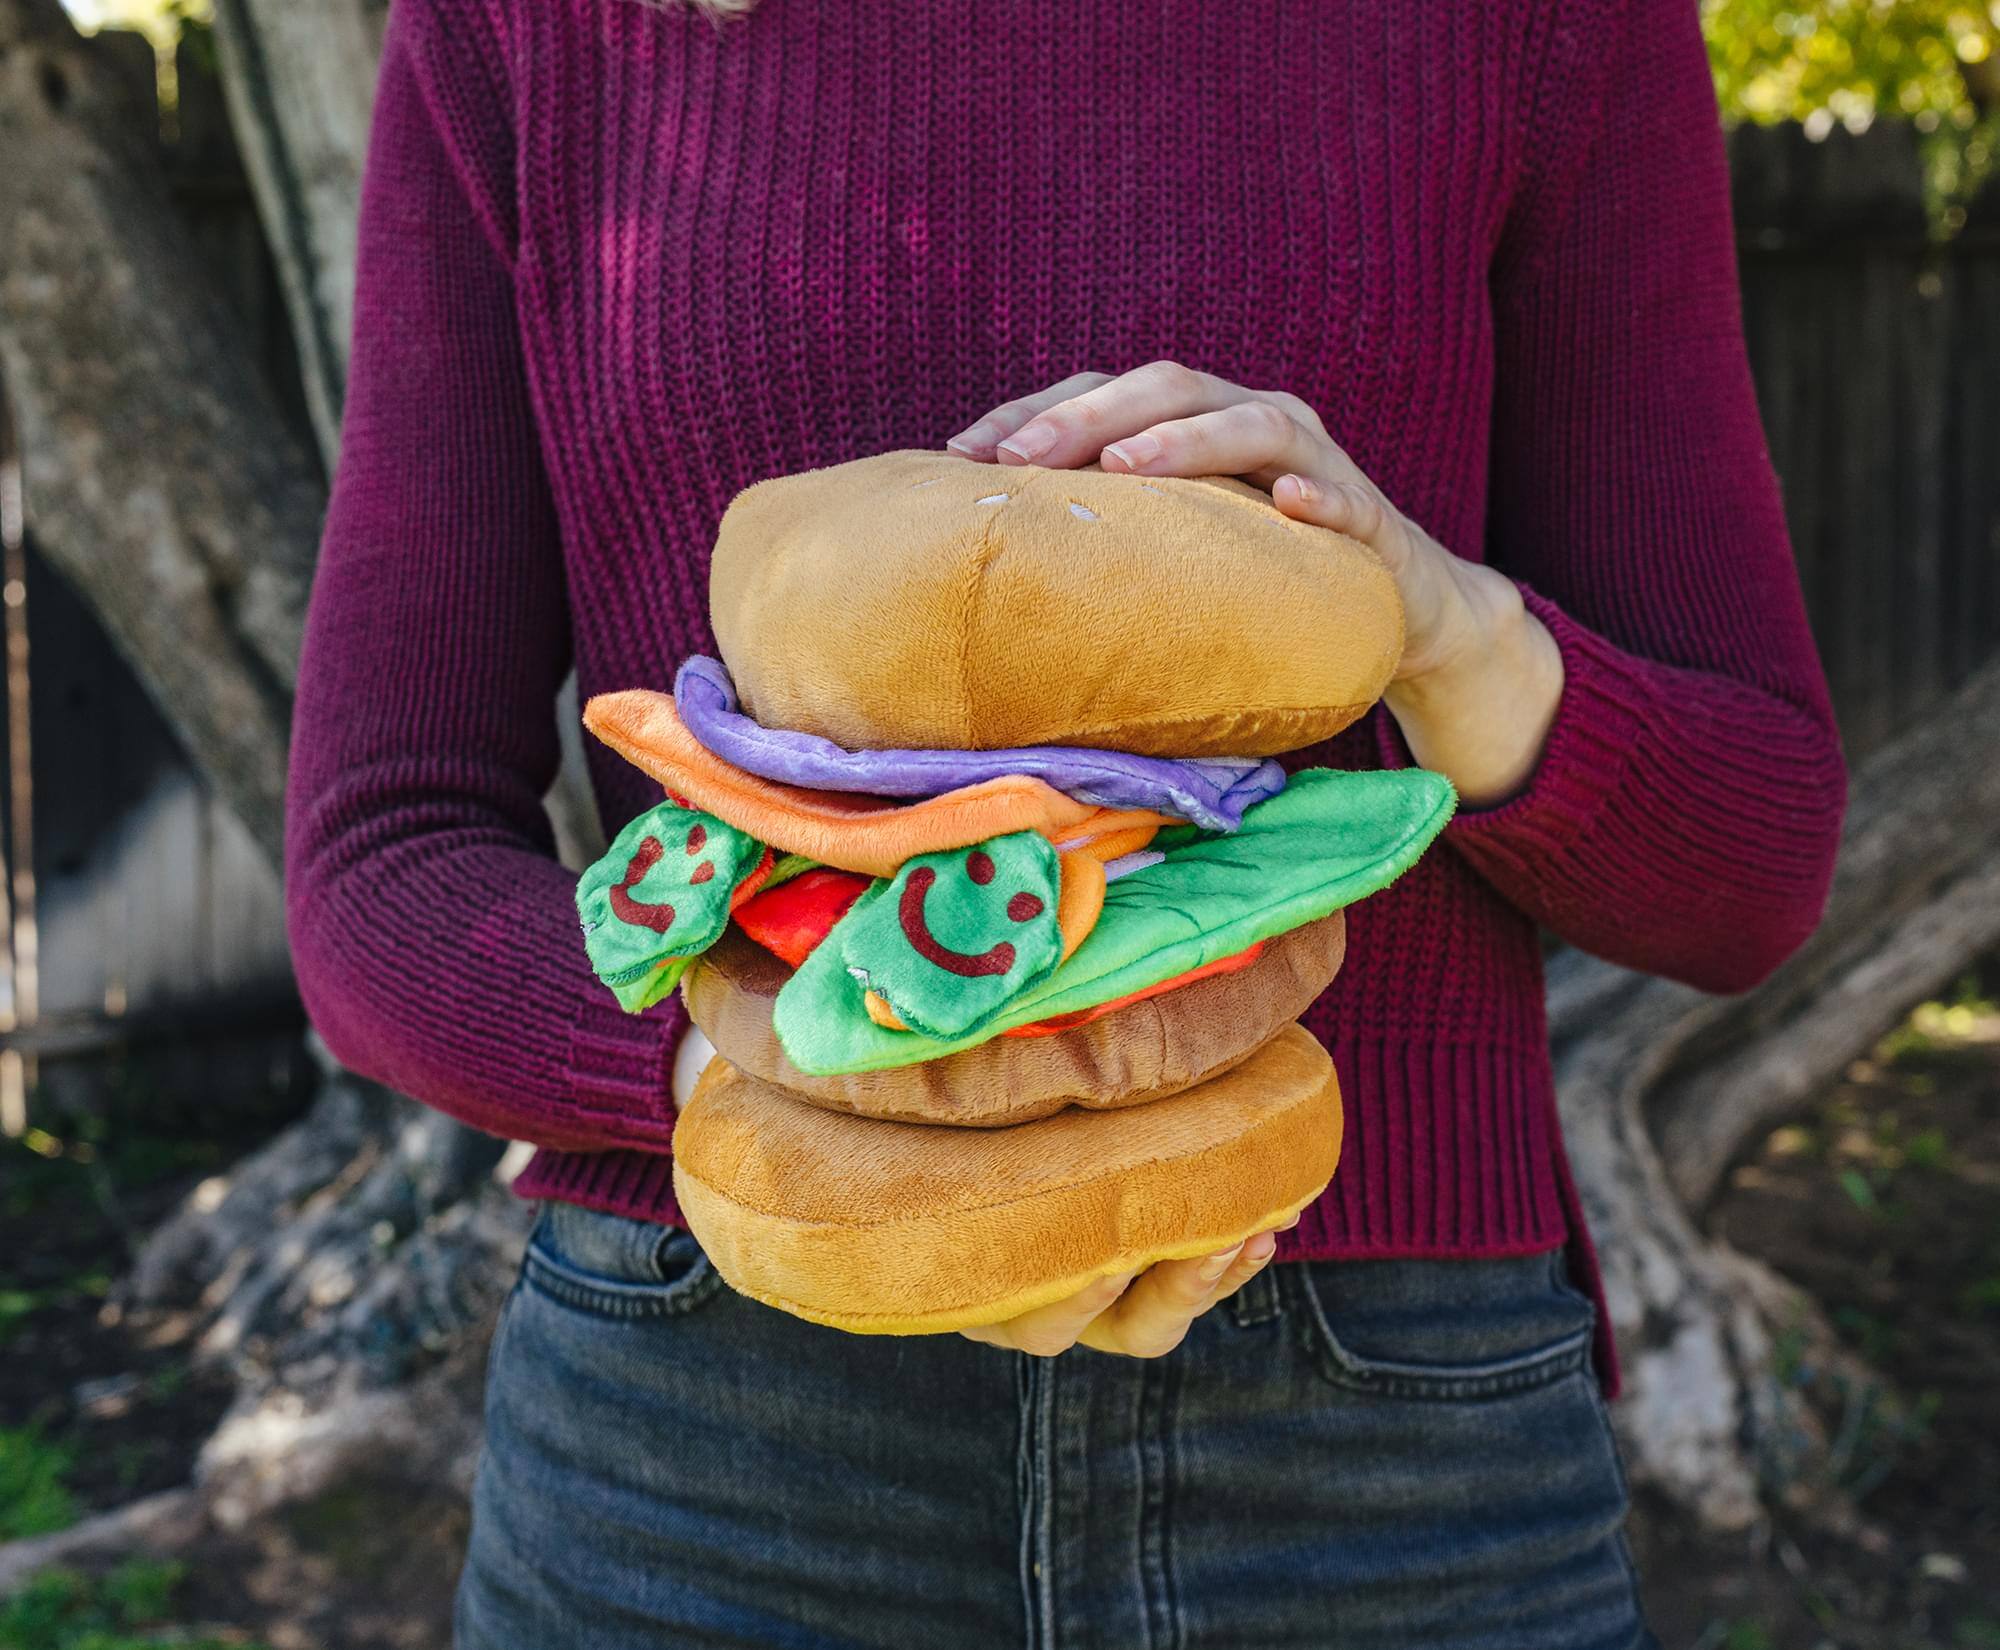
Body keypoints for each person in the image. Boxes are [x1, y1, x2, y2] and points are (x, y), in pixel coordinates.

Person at [284, 0, 1848, 1643]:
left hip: (1379, 1451)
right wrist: (802, 1089)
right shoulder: (528, 27)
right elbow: (380, 856)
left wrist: (1439, 619)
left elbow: (1747, 865)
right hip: (715, 1436)